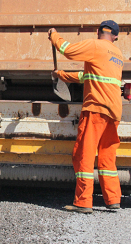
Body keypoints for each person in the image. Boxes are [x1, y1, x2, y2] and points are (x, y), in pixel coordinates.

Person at [48, 20, 124, 213]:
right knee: (107, 157)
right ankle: (113, 199)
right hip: (114, 112)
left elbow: (68, 50)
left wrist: (54, 35)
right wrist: (62, 75)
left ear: (98, 32)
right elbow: (87, 76)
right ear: (115, 36)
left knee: (84, 154)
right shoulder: (117, 55)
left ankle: (83, 202)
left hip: (96, 108)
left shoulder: (95, 45)